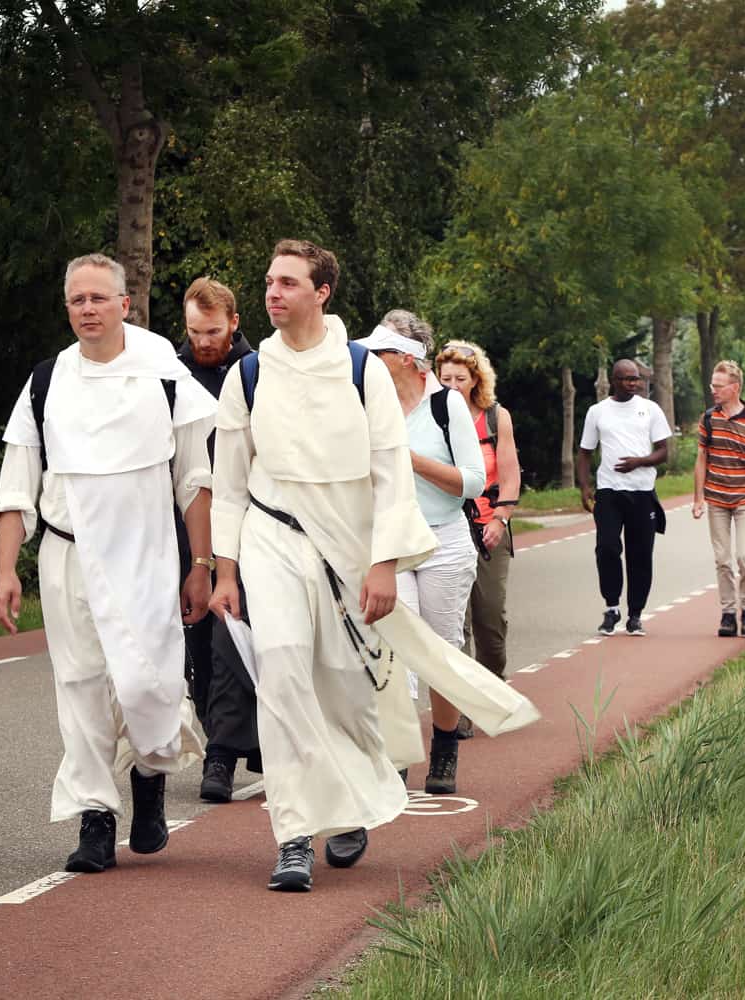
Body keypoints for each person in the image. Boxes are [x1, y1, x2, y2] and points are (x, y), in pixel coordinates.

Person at [208, 240, 536, 892]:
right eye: (269, 281)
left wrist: (383, 564)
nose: (273, 293)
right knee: (281, 674)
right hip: (272, 539)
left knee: (344, 688)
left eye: (288, 283)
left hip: (349, 550)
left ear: (321, 291)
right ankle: (295, 834)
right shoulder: (248, 375)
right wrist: (224, 570)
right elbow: (229, 481)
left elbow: (390, 474)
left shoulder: (362, 373)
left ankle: (357, 798)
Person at [0, 253, 216, 874]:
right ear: (67, 309)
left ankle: (149, 777)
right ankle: (95, 815)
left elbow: (196, 481)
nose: (87, 310)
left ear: (125, 304)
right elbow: (17, 485)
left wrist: (202, 564)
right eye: (76, 301)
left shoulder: (165, 377)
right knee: (82, 684)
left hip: (146, 552)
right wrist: (7, 570)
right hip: (68, 554)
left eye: (98, 298)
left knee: (148, 680)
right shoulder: (45, 382)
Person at [358, 311, 485, 795]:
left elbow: (472, 482)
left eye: (380, 352)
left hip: (444, 539)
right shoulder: (368, 403)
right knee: (395, 650)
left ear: (409, 360)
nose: (369, 360)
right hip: (392, 544)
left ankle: (446, 747)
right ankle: (398, 756)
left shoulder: (445, 405)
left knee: (440, 652)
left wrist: (408, 460)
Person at [175, 277, 261, 804]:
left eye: (211, 331)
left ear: (232, 322)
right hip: (185, 525)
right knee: (197, 646)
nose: (203, 341)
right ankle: (217, 733)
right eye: (193, 331)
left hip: (248, 522)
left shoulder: (257, 371)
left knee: (232, 637)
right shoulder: (170, 375)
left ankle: (222, 757)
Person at [435, 340, 521, 740]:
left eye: (460, 378)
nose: (451, 385)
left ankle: (493, 687)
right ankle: (463, 707)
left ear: (475, 380)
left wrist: (501, 517)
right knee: (456, 623)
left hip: (488, 526)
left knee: (490, 618)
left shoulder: (494, 417)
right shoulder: (431, 415)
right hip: (445, 528)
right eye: (445, 377)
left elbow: (509, 472)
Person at [576, 359, 672, 638]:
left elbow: (664, 451)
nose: (635, 383)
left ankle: (635, 615)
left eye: (637, 379)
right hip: (609, 492)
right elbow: (585, 453)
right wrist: (584, 487)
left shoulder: (650, 409)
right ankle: (611, 607)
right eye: (628, 379)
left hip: (642, 492)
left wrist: (640, 462)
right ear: (614, 382)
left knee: (640, 555)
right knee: (606, 548)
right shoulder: (598, 412)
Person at [692, 360, 745, 637]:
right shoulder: (709, 419)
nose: (713, 390)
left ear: (734, 387)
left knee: (743, 556)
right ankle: (728, 613)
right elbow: (702, 457)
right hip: (716, 497)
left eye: (718, 386)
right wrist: (698, 498)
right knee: (723, 559)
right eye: (712, 385)